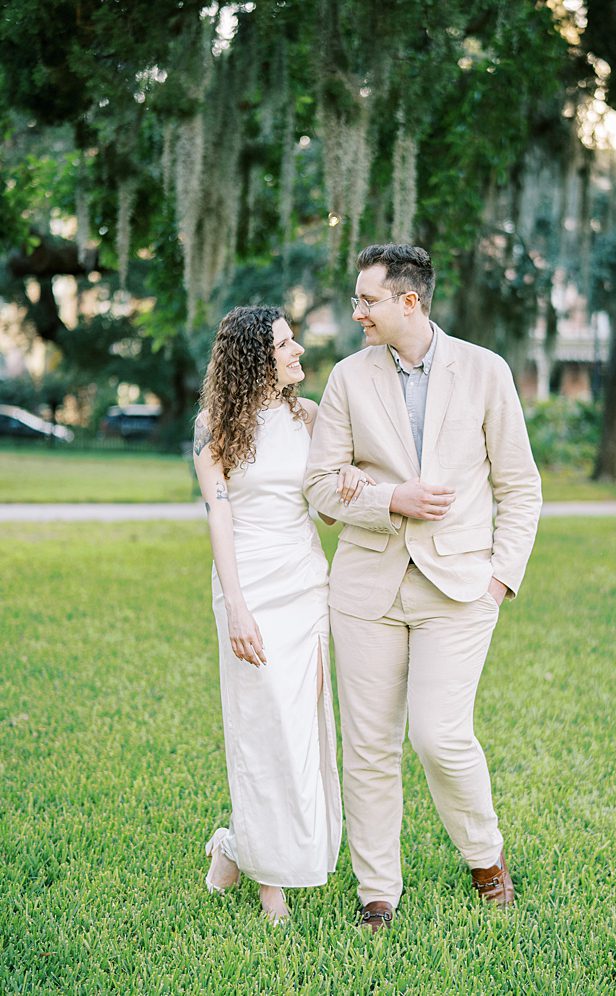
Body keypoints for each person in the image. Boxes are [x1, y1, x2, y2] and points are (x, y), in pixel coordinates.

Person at [303, 243, 542, 932]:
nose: (357, 313)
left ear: (410, 301)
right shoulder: (348, 379)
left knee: (440, 735)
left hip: (460, 588)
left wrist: (500, 579)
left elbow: (521, 487)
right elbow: (321, 486)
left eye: (368, 300)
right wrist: (388, 499)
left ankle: (485, 857)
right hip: (366, 587)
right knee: (370, 743)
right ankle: (378, 890)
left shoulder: (486, 372)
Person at [194, 305, 367, 923]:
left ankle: (236, 844)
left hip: (303, 585)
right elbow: (220, 515)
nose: (299, 352)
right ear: (255, 357)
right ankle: (272, 886)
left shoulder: (311, 417)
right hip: (250, 589)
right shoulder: (215, 427)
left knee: (299, 731)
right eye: (287, 344)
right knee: (262, 729)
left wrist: (345, 487)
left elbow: (323, 512)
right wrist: (236, 608)